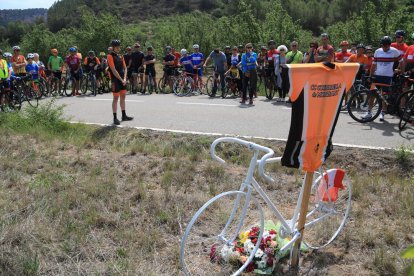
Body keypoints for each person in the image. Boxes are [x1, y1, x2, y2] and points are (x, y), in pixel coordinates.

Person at [364, 36, 402, 121]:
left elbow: (401, 62)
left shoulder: (394, 51)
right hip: (377, 76)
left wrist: (400, 71)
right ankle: (369, 112)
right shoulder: (378, 51)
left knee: (384, 95)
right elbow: (374, 64)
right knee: (372, 94)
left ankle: (383, 112)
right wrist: (370, 75)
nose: (384, 47)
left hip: (388, 77)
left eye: (386, 46)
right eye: (383, 45)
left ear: (389, 45)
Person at [107, 39, 133, 125]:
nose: (118, 48)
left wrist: (125, 78)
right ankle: (115, 118)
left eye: (118, 47)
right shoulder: (110, 56)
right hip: (115, 80)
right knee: (115, 98)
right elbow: (113, 70)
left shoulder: (121, 56)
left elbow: (125, 68)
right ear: (113, 47)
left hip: (123, 79)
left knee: (123, 97)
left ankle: (124, 115)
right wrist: (121, 80)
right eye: (116, 47)